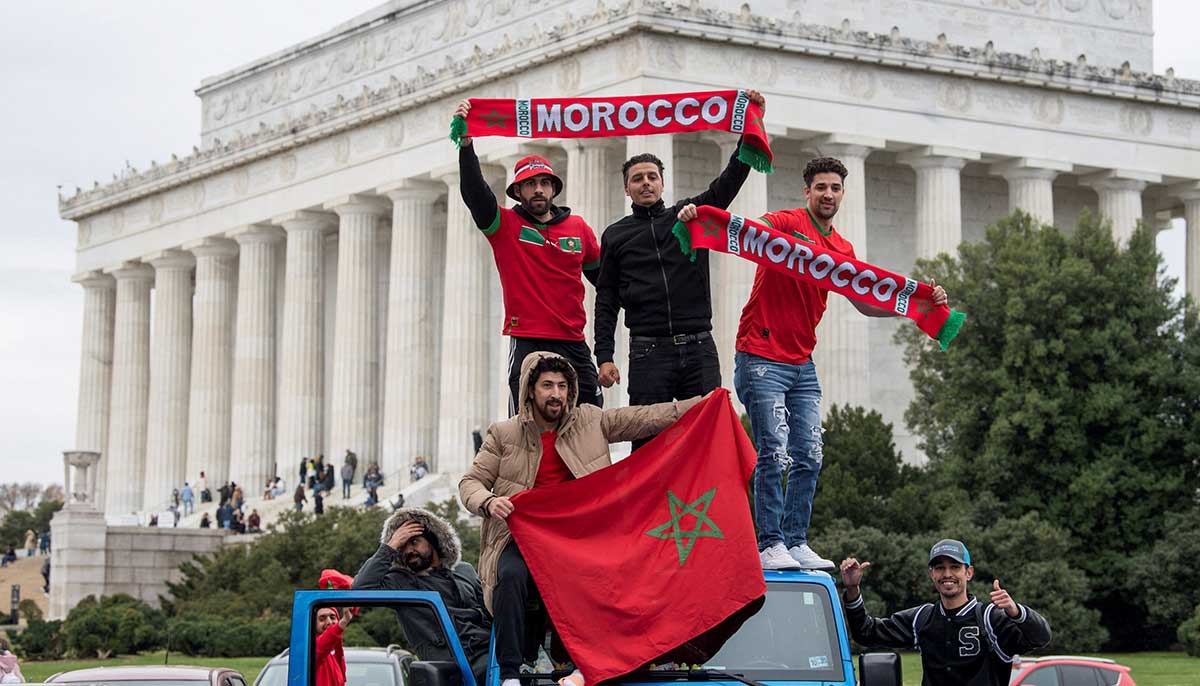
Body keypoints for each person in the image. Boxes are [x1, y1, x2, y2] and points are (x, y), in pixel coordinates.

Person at [681, 156, 948, 570]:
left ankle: (795, 539)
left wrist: (912, 306)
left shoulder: (841, 249)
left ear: (842, 194)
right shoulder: (787, 223)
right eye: (820, 187)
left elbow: (863, 301)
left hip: (801, 363)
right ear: (807, 191)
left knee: (811, 454)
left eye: (835, 188)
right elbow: (756, 232)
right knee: (775, 452)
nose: (828, 194)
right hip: (761, 356)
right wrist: (713, 220)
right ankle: (770, 543)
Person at [460, 351, 705, 686]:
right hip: (523, 537)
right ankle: (510, 674)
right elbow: (469, 483)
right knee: (511, 577)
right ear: (530, 390)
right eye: (547, 385)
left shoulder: (591, 420)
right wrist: (489, 502)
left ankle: (588, 665)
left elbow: (645, 418)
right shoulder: (504, 434)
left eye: (562, 386)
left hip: (580, 539)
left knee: (606, 576)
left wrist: (701, 404)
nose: (556, 394)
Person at [593, 91, 765, 451]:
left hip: (698, 346)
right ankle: (652, 510)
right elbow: (606, 300)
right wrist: (605, 356)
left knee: (708, 439)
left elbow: (730, 180)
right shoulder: (616, 235)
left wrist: (753, 123)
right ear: (627, 188)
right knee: (647, 446)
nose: (645, 183)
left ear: (662, 183)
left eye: (652, 177)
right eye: (637, 178)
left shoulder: (690, 217)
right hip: (647, 353)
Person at [454, 99, 605, 413]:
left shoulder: (578, 228)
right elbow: (475, 194)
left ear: (553, 189)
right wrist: (467, 146)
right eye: (530, 184)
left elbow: (607, 282)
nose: (538, 190)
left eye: (544, 183)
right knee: (526, 425)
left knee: (591, 416)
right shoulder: (506, 226)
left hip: (572, 338)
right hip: (528, 339)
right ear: (517, 192)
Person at [840, 539, 1052, 686]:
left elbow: (1041, 637)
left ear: (968, 572)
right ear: (932, 574)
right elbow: (866, 633)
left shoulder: (989, 618)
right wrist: (852, 589)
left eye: (955, 567)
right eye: (940, 567)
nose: (947, 574)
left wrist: (1016, 611)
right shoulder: (921, 619)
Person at [353, 507, 491, 684]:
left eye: (415, 542)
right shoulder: (399, 582)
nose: (408, 550)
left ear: (433, 541)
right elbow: (360, 589)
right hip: (450, 670)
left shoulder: (465, 571)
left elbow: (491, 612)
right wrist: (390, 546)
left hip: (489, 656)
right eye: (402, 546)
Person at [314, 605, 353, 686]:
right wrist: (344, 620)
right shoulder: (311, 649)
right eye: (322, 619)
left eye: (332, 617)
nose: (329, 622)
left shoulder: (334, 655)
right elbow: (322, 645)